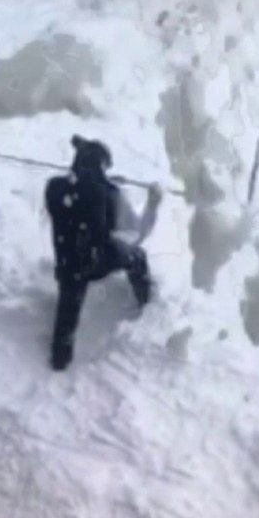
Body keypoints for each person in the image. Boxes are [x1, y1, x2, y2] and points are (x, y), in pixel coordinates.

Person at [44, 136, 163, 371]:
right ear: (102, 165)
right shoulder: (109, 193)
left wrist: (102, 184)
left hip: (67, 266)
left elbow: (78, 195)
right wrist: (152, 203)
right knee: (137, 256)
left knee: (67, 316)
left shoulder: (55, 188)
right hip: (96, 261)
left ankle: (59, 361)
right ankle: (147, 304)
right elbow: (137, 233)